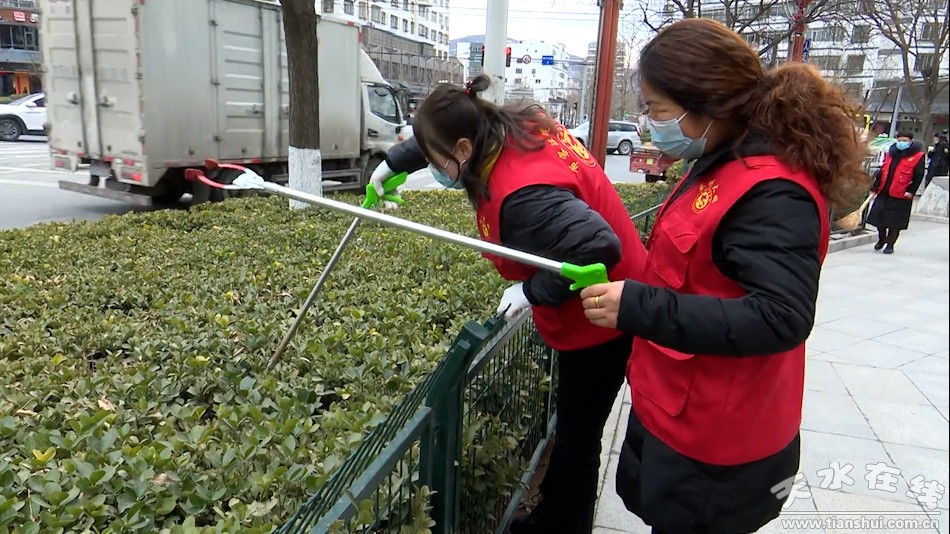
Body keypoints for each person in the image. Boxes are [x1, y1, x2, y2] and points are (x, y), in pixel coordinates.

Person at [575, 19, 869, 534]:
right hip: (675, 406)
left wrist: (638, 306)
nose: (649, 123)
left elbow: (780, 316)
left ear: (707, 104)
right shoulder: (719, 161)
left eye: (657, 109)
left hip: (717, 438)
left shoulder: (773, 192)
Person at [370, 74, 648, 534]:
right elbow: (444, 132)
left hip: (604, 318)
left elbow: (598, 247)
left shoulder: (522, 196)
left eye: (436, 160)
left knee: (579, 441)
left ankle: (563, 526)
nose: (433, 167)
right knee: (572, 431)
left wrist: (530, 291)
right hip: (610, 298)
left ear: (463, 150)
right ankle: (550, 514)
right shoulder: (513, 124)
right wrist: (392, 163)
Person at [867, 131, 925, 254]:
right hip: (884, 191)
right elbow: (882, 171)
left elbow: (918, 176)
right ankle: (882, 238)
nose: (901, 143)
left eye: (905, 141)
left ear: (910, 141)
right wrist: (875, 187)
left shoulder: (918, 156)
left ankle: (890, 244)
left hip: (901, 194)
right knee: (879, 219)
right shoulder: (891, 153)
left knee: (895, 223)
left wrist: (911, 191)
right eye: (899, 140)